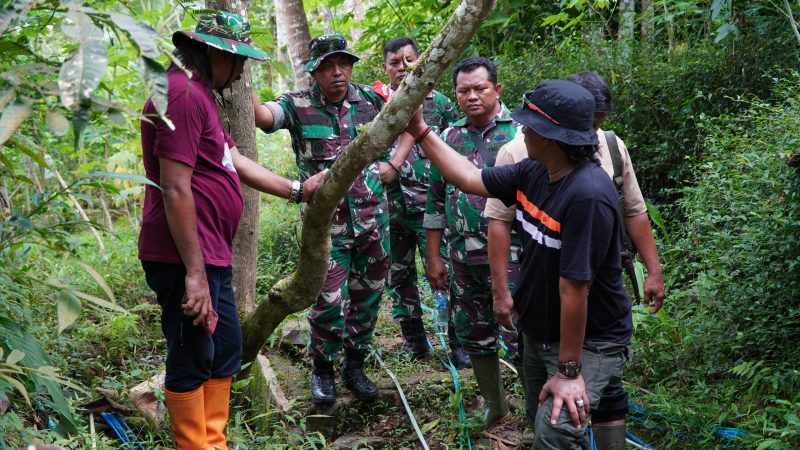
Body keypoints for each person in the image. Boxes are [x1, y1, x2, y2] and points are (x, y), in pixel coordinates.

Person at [406, 79, 633, 449]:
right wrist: (420, 131)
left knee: (556, 430)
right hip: (539, 328)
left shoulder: (586, 195)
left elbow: (574, 289)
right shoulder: (534, 172)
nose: (523, 130)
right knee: (538, 417)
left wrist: (569, 372)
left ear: (553, 137)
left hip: (591, 339)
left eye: (531, 126)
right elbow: (468, 177)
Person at [138, 12, 325, 449]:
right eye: (238, 61)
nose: (241, 73)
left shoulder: (199, 95)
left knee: (224, 350)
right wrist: (195, 275)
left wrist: (298, 190)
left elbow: (232, 161)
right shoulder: (180, 94)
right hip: (184, 257)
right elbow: (175, 186)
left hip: (212, 253)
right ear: (217, 53)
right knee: (193, 354)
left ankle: (213, 441)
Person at [484, 71, 665, 448]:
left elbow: (632, 211)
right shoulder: (527, 158)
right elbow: (488, 205)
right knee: (549, 417)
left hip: (591, 324)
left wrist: (654, 269)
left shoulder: (596, 176)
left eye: (598, 121)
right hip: (543, 317)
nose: (594, 132)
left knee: (563, 426)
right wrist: (420, 132)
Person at [252, 34, 389, 406]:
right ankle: (323, 369)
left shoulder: (372, 100)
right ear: (314, 71)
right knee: (329, 301)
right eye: (327, 66)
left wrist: (394, 163)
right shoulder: (297, 105)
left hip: (374, 221)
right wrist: (240, 72)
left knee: (368, 298)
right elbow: (263, 116)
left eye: (342, 63)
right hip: (328, 229)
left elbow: (409, 122)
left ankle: (355, 365)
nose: (337, 72)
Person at [423, 56, 522, 426]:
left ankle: (534, 408)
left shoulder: (521, 133)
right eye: (464, 91)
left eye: (480, 88)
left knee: (521, 333)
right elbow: (435, 199)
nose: (472, 96)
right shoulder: (448, 137)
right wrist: (434, 258)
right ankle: (495, 404)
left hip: (516, 255)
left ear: (497, 89)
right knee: (474, 332)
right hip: (462, 256)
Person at [376, 37, 459, 360]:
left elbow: (455, 150)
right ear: (385, 68)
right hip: (390, 207)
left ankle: (458, 341)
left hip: (431, 207)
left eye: (408, 60)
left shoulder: (440, 104)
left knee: (443, 271)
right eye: (394, 63)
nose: (401, 68)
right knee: (400, 275)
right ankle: (414, 341)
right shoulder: (376, 103)